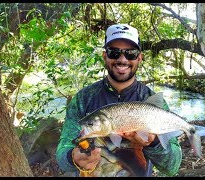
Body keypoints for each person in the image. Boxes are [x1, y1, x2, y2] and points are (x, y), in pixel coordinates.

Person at [56, 23, 182, 177]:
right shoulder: (83, 99)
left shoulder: (151, 101)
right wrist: (72, 157)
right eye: (114, 52)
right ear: (104, 56)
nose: (122, 59)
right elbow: (63, 152)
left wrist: (154, 143)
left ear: (139, 58)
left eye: (131, 53)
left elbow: (172, 167)